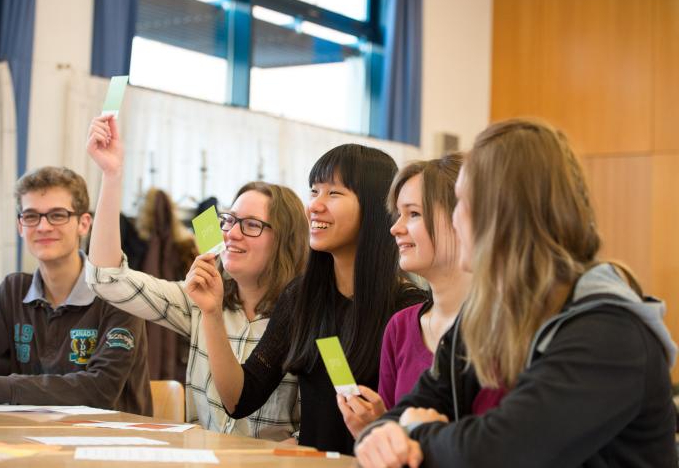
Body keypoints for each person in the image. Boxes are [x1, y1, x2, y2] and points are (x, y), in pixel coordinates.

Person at [354, 118, 678, 468]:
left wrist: (414, 432)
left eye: (461, 201)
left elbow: (499, 453)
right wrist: (384, 434)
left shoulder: (610, 333)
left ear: (503, 212)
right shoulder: (487, 316)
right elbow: (405, 412)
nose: (455, 219)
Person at [187, 144, 427, 454]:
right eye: (314, 191)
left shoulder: (407, 309)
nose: (314, 205)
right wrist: (211, 313)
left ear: (373, 206)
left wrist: (383, 423)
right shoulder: (301, 296)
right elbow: (239, 400)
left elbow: (417, 431)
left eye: (334, 193)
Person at [84, 115, 308, 441]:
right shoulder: (199, 298)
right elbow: (107, 280)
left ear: (285, 239)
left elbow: (317, 425)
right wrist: (112, 174)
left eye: (251, 225)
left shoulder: (307, 316)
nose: (231, 234)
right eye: (229, 220)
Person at [0, 166, 152, 415]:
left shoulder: (119, 293)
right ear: (21, 227)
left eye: (57, 215)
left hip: (111, 445)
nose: (43, 227)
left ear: (84, 224)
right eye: (31, 216)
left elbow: (100, 391)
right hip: (27, 442)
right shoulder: (12, 290)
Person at [337, 154, 471, 439]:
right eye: (398, 214)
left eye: (413, 214)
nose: (395, 228)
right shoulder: (400, 327)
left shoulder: (503, 332)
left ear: (462, 218)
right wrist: (376, 430)